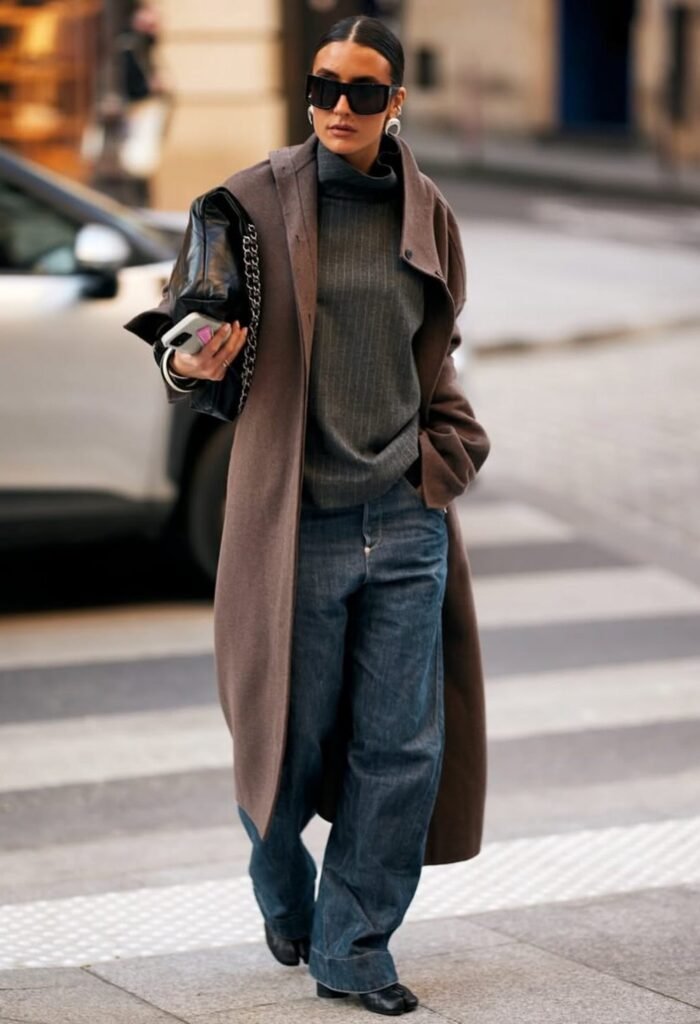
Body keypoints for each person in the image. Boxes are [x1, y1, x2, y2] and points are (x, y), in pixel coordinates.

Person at [125, 15, 490, 1016]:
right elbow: (185, 318)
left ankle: (354, 944)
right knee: (283, 744)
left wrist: (448, 454)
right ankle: (280, 879)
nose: (337, 107)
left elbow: (436, 350)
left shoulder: (428, 212)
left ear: (395, 105)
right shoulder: (245, 205)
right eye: (322, 85)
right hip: (300, 528)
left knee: (402, 748)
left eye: (362, 93)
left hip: (404, 518)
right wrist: (184, 354)